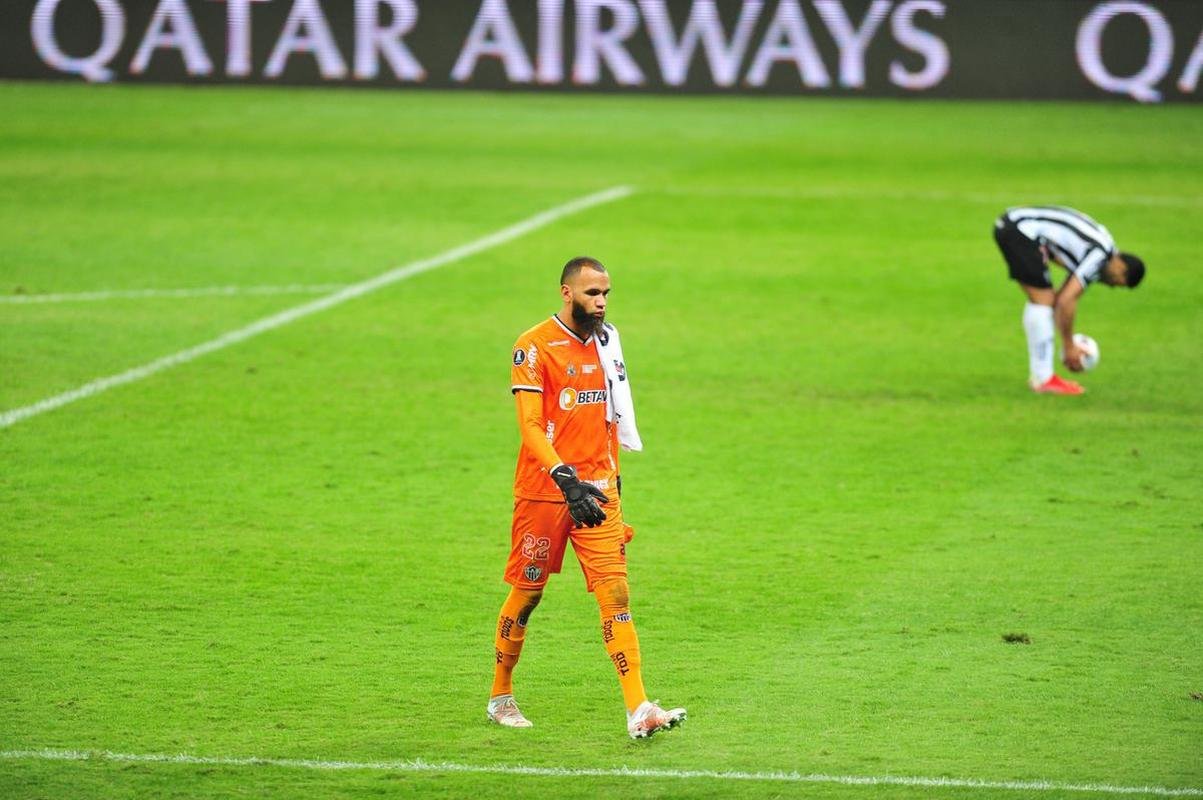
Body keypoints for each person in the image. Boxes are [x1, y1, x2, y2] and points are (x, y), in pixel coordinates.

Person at [486, 256, 685, 739]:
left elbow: (611, 415)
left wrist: (612, 483)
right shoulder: (532, 346)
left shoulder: (607, 341)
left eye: (606, 294)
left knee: (615, 592)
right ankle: (500, 695)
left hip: (597, 492)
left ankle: (639, 708)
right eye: (592, 293)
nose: (601, 302)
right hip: (546, 493)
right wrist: (563, 476)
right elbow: (530, 425)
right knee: (529, 593)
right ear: (566, 292)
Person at [993, 205, 1145, 395]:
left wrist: (1068, 341)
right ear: (1121, 267)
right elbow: (1066, 301)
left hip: (1016, 224)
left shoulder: (1101, 250)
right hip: (1021, 229)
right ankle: (1044, 379)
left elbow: (1062, 300)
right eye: (1117, 282)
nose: (1111, 285)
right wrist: (1069, 346)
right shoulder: (1099, 256)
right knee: (1043, 301)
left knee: (1045, 301)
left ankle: (1042, 377)